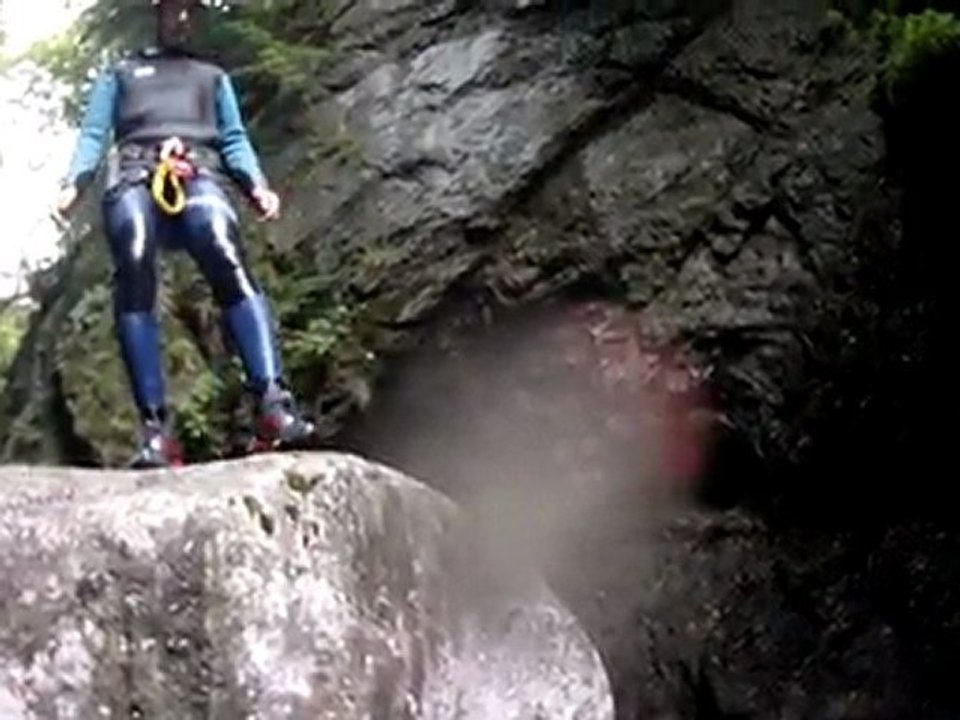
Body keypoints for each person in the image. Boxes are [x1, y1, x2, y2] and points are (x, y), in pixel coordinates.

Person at [54, 0, 314, 468]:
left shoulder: (213, 77)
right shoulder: (123, 73)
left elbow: (233, 138)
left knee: (222, 248)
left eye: (188, 11)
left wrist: (255, 185)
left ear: (198, 18)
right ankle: (155, 430)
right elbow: (94, 134)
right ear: (157, 15)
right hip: (135, 172)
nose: (179, 19)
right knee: (134, 257)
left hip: (199, 171)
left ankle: (273, 404)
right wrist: (74, 184)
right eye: (171, 10)